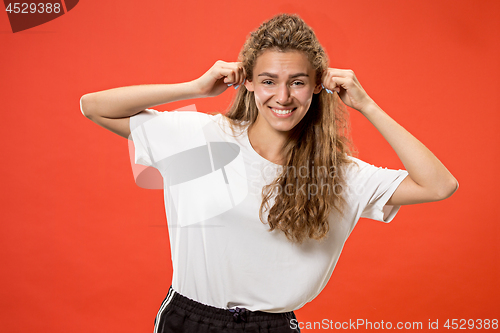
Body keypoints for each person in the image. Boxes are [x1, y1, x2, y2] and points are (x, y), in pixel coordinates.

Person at [80, 13, 458, 333]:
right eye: (268, 81)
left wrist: (367, 105)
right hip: (190, 318)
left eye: (297, 81)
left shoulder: (339, 173)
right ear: (247, 81)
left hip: (271, 326)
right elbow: (94, 107)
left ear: (317, 86)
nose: (283, 97)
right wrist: (194, 87)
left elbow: (440, 185)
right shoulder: (203, 137)